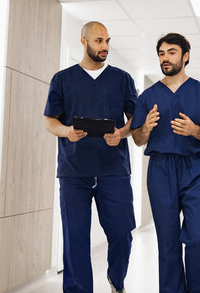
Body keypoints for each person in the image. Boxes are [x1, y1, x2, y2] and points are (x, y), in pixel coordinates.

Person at [131, 33, 200, 293]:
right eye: (162, 53)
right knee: (168, 241)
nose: (165, 58)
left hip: (195, 168)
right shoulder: (148, 96)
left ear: (185, 56)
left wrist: (196, 130)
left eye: (171, 52)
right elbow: (137, 139)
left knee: (198, 238)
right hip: (161, 170)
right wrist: (147, 129)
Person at [44, 21, 137, 293]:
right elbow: (50, 121)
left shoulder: (122, 79)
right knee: (75, 241)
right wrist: (67, 131)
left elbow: (134, 122)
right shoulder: (62, 79)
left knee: (122, 232)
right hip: (74, 172)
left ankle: (116, 278)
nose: (105, 46)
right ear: (83, 42)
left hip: (114, 170)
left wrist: (121, 133)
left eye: (107, 41)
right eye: (99, 41)